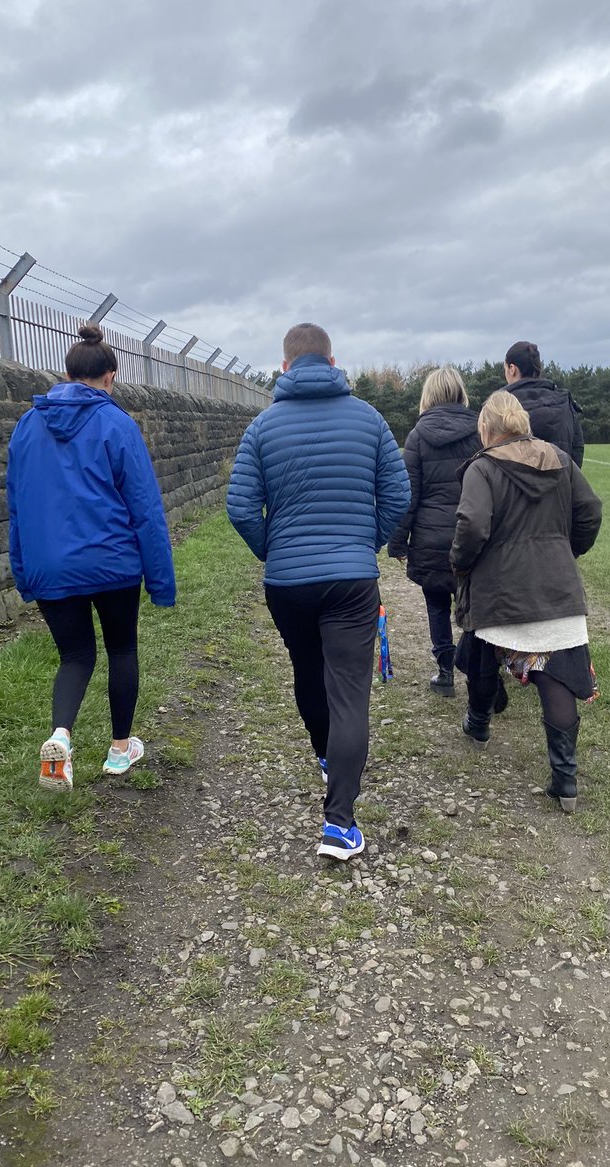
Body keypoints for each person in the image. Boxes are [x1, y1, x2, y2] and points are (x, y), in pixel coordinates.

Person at [226, 322, 410, 860]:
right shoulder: (370, 420)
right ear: (334, 362)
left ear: (283, 368)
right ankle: (340, 823)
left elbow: (240, 507)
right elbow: (398, 496)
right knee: (349, 690)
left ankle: (327, 757)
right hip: (351, 579)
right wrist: (366, 542)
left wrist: (273, 549)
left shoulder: (261, 427)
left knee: (308, 673)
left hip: (288, 581)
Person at [7, 323, 176, 791]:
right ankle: (121, 750)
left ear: (66, 372)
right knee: (122, 649)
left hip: (50, 567)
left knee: (75, 656)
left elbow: (17, 505)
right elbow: (145, 509)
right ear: (111, 376)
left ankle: (60, 738)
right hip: (112, 562)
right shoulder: (117, 424)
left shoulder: (26, 425)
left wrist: (24, 571)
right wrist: (161, 583)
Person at [450, 390, 602, 812]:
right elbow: (590, 511)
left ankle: (479, 726)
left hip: (500, 589)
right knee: (555, 679)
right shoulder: (560, 459)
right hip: (557, 589)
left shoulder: (482, 468)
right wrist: (563, 550)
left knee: (481, 658)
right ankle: (565, 779)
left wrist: (460, 563)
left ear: (487, 428)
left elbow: (473, 524)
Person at [386, 367, 481, 697]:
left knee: (437, 605)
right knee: (475, 606)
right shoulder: (480, 431)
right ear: (459, 393)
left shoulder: (417, 436)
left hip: (430, 538)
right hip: (472, 533)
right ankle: (478, 668)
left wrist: (398, 541)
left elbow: (407, 495)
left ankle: (445, 671)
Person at [503, 341, 585, 466]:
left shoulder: (501, 406)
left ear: (512, 369)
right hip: (560, 482)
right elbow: (577, 450)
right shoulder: (564, 402)